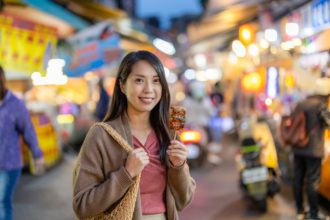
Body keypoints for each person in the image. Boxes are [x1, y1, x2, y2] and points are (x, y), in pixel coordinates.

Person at [72, 51, 196, 220]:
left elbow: (184, 200)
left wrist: (178, 166)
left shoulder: (169, 134)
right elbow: (82, 206)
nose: (149, 89)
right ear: (122, 86)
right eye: (139, 80)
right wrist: (126, 174)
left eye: (156, 81)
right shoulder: (102, 135)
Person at [0, 65, 44, 220]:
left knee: (3, 202)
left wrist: (37, 155)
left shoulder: (15, 105)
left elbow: (28, 131)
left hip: (9, 164)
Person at [291, 94, 330, 220]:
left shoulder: (300, 104)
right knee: (313, 181)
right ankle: (313, 213)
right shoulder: (320, 105)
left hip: (298, 146)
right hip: (313, 149)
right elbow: (328, 122)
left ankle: (300, 211)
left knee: (298, 179)